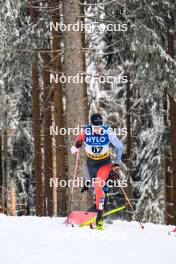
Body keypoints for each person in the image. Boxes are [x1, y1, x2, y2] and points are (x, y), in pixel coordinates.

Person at [71, 113, 123, 230]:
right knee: (95, 189)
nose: (98, 130)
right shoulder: (85, 131)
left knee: (99, 186)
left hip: (104, 163)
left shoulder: (107, 131)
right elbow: (73, 149)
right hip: (91, 163)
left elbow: (119, 147)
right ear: (91, 125)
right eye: (95, 128)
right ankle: (98, 209)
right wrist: (77, 145)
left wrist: (116, 165)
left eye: (99, 128)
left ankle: (99, 220)